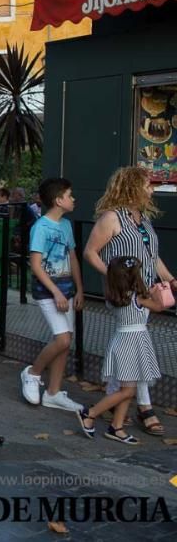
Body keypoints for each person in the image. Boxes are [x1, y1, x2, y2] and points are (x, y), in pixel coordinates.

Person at [82, 166, 172, 436]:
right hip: (125, 293)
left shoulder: (142, 220)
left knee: (135, 341)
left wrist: (171, 279)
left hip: (142, 290)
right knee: (135, 340)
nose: (151, 190)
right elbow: (91, 252)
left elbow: (153, 257)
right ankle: (142, 406)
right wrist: (113, 277)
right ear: (133, 186)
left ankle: (117, 396)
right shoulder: (112, 218)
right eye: (147, 185)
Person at [77, 256, 163, 444]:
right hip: (133, 344)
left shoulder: (115, 297)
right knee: (126, 391)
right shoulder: (138, 297)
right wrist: (157, 291)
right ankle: (89, 413)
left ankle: (116, 427)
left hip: (122, 342)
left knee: (128, 389)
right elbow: (159, 306)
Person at [21, 177, 86, 412]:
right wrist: (57, 292)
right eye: (69, 195)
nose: (73, 199)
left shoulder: (66, 226)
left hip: (66, 290)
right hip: (48, 293)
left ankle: (53, 392)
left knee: (65, 343)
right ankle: (33, 373)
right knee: (63, 339)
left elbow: (72, 258)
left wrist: (79, 289)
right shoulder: (40, 228)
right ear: (58, 200)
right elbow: (36, 265)